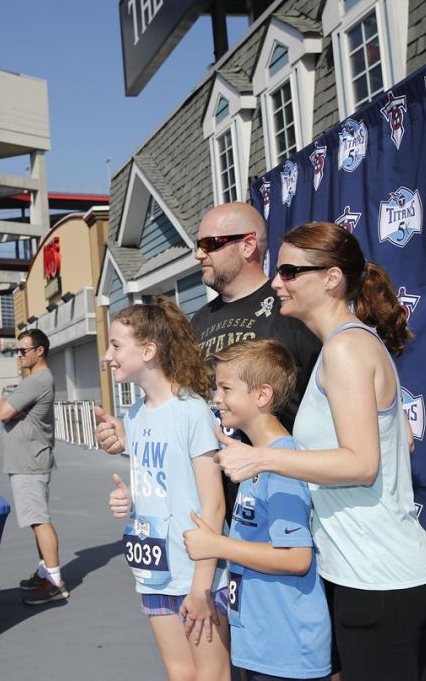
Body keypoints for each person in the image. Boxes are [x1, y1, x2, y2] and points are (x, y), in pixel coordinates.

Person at [214, 222, 426, 681]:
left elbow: (361, 463)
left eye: (289, 272)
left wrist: (262, 458)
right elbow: (396, 439)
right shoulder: (343, 346)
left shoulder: (347, 349)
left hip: (378, 577)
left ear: (332, 278)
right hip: (368, 573)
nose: (277, 282)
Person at [97, 202, 321, 511]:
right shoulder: (198, 321)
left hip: (282, 496)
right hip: (214, 499)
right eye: (197, 245)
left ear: (248, 245)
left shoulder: (291, 309)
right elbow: (179, 401)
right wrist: (130, 433)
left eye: (209, 244)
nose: (199, 254)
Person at [182, 339, 332, 681]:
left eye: (225, 388)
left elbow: (297, 557)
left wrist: (218, 545)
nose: (216, 397)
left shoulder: (281, 465)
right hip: (261, 648)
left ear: (262, 395)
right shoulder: (252, 458)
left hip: (287, 653)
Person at [104, 297, 231, 681]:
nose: (108, 356)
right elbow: (158, 486)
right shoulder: (135, 414)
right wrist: (128, 499)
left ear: (148, 350)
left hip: (196, 572)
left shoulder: (192, 411)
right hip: (154, 569)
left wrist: (200, 587)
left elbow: (214, 507)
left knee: (211, 674)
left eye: (115, 346)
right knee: (180, 673)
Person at [0, 329, 67, 605]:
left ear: (40, 351)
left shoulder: (37, 380)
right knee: (35, 520)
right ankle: (44, 570)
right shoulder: (35, 380)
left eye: (24, 350)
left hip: (29, 461)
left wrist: (7, 402)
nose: (19, 355)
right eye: (18, 350)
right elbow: (4, 406)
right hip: (26, 459)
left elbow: (2, 411)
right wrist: (8, 402)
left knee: (39, 519)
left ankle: (54, 582)